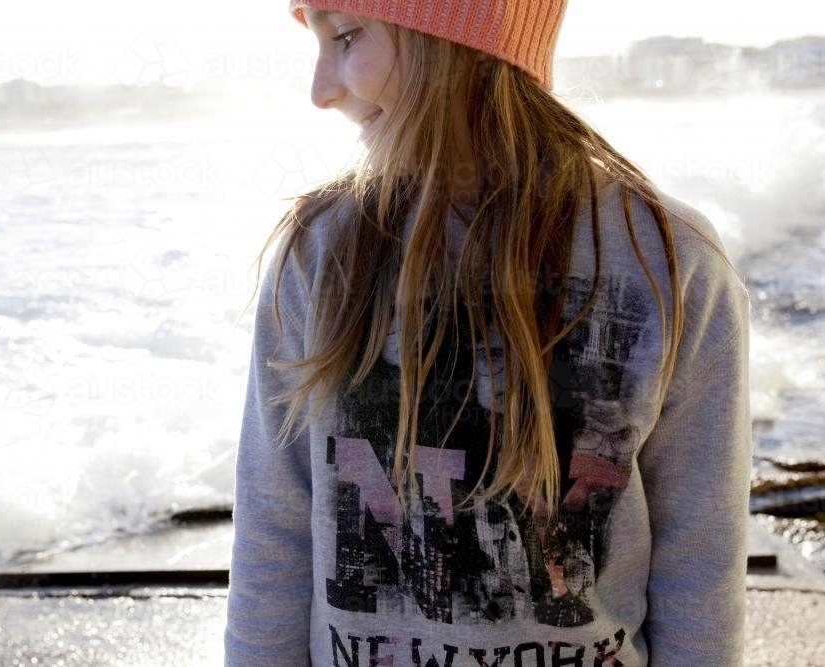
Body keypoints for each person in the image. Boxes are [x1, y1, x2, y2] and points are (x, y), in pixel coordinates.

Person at [225, 1, 752, 665]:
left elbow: (699, 565)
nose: (320, 91)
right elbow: (274, 536)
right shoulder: (321, 253)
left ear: (457, 40)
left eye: (348, 36)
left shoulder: (668, 259)